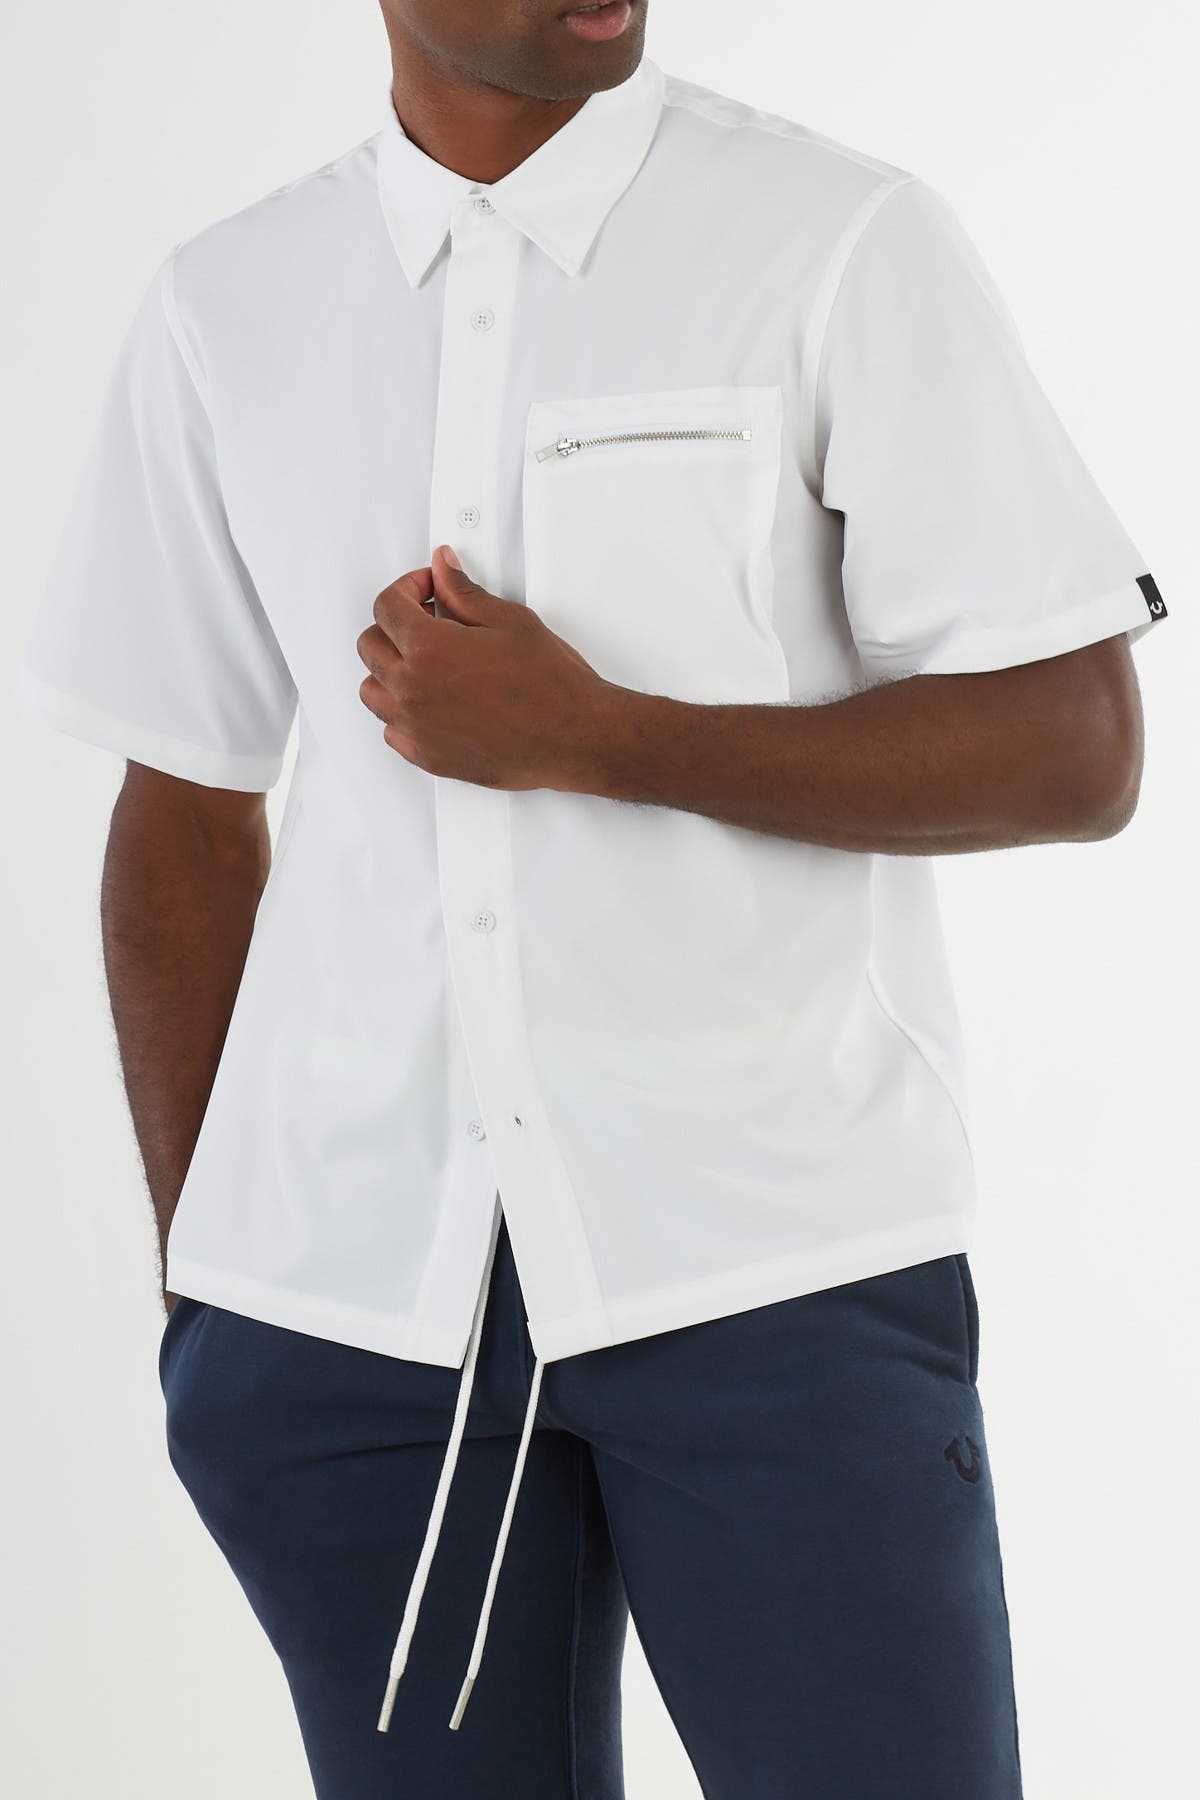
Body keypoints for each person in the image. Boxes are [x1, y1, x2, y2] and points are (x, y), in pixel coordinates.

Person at [17, 2, 1167, 1795]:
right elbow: (182, 802)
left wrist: (599, 736)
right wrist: (212, 1289)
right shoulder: (223, 304)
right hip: (353, 1340)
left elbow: (1076, 748)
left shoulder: (837, 241)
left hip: (773, 1283)